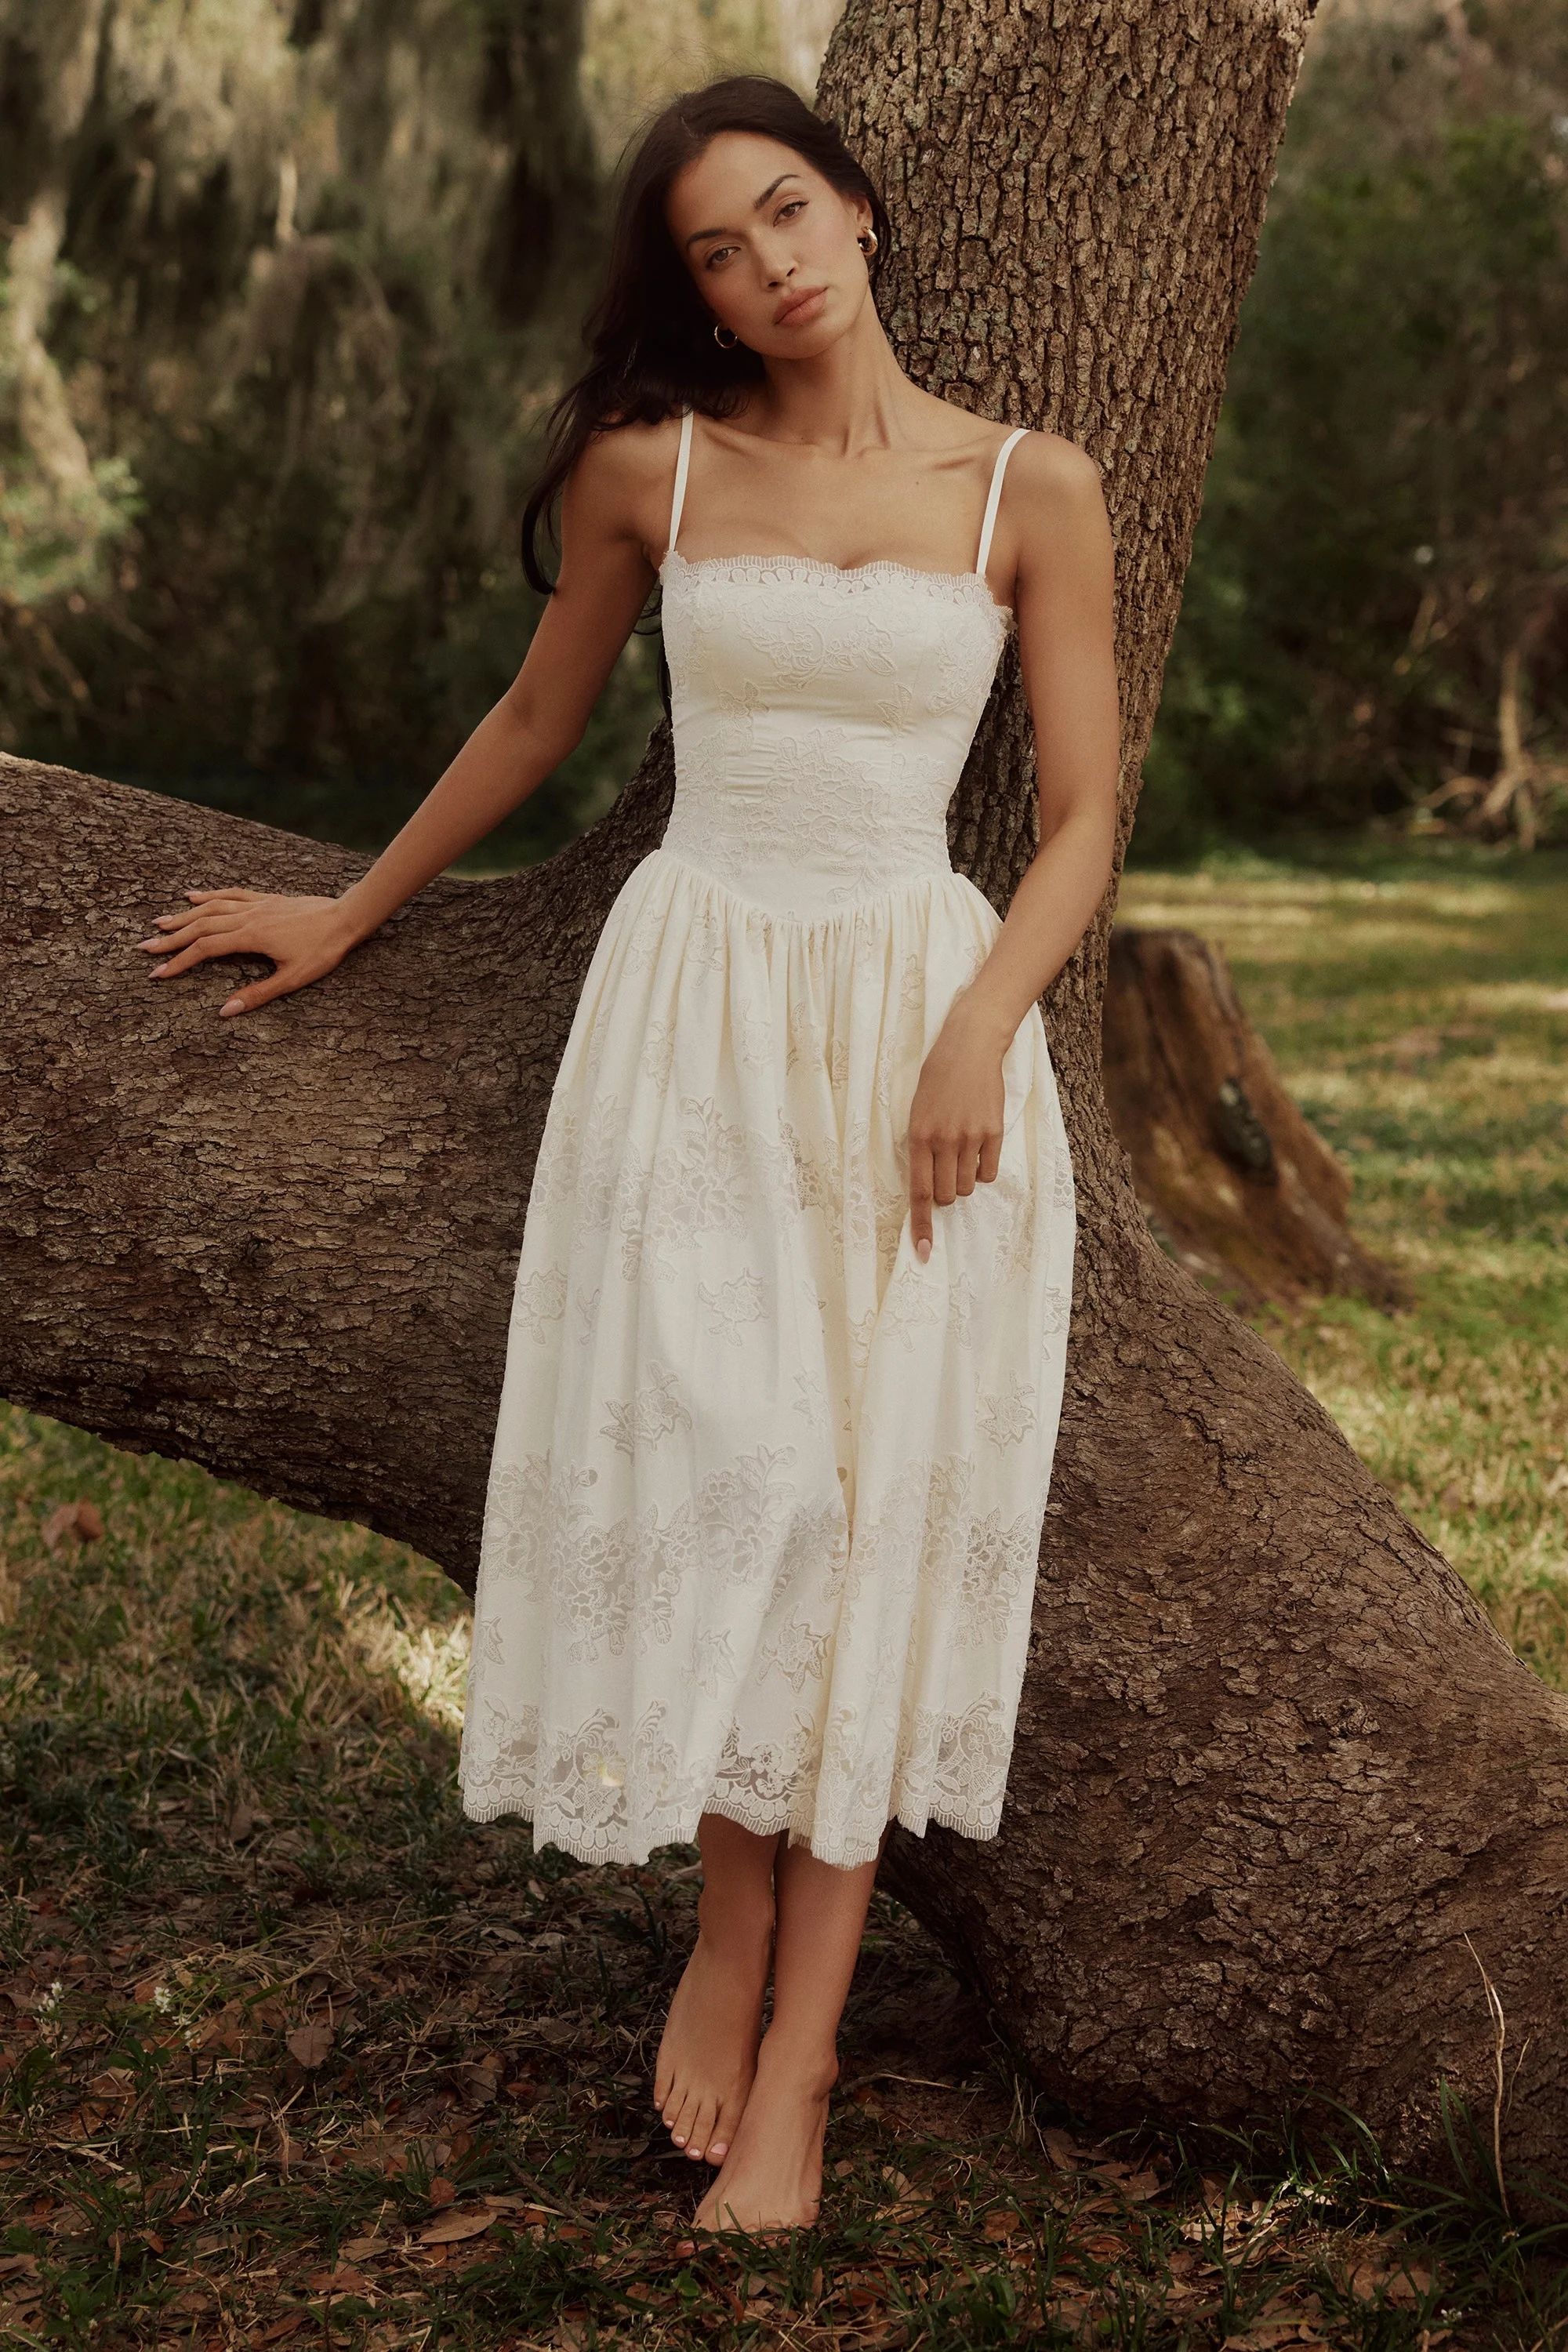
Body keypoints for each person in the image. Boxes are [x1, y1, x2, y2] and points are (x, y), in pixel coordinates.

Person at [136, 76, 1120, 2234]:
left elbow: (1082, 817)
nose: (771, 266)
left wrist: (980, 1025)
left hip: (914, 1027)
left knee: (859, 1515)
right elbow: (532, 721)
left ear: (859, 210)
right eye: (716, 251)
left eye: (789, 213)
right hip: (693, 1016)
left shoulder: (1026, 487)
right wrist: (348, 909)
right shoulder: (648, 472)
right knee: (729, 1465)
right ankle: (725, 1925)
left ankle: (802, 2054)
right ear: (694, 293)